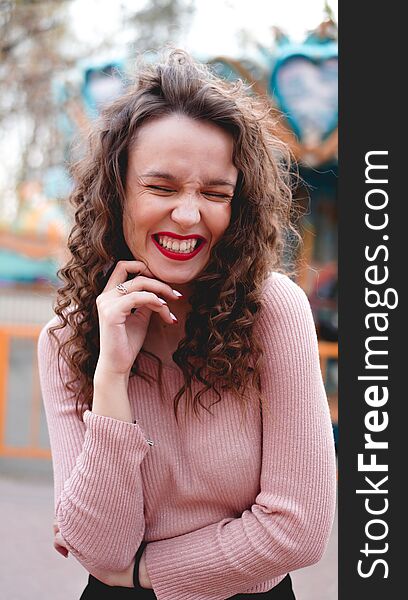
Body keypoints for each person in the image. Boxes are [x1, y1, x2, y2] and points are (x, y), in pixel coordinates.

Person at [38, 49, 337, 600]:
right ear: (116, 190)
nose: (189, 215)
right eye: (162, 186)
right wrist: (111, 376)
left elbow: (299, 531)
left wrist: (143, 573)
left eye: (215, 193)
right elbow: (101, 550)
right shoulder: (65, 340)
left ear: (239, 205)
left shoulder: (275, 311)